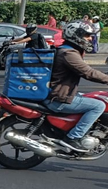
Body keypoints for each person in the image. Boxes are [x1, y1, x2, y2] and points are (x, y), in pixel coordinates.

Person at [44, 21, 108, 152]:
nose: (90, 38)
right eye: (86, 35)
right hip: (59, 98)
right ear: (75, 35)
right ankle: (73, 137)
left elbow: (88, 70)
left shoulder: (66, 50)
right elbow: (88, 73)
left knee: (88, 97)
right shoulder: (69, 54)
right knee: (98, 105)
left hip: (58, 94)